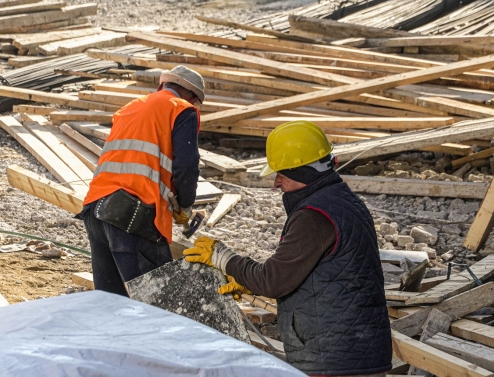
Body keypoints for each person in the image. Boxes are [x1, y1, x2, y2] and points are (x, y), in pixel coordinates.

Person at [184, 121, 392, 376]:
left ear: (304, 172)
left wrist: (224, 258)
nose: (276, 183)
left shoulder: (313, 217)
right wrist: (248, 282)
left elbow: (273, 281)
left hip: (334, 360)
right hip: (354, 351)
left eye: (282, 173)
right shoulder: (343, 202)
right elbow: (326, 274)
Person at [78, 65, 205, 296]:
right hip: (133, 214)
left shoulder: (130, 107)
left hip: (95, 208)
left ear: (163, 85)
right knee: (160, 301)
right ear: (191, 95)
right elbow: (187, 165)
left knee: (110, 300)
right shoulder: (181, 109)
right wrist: (185, 206)